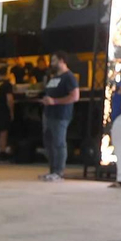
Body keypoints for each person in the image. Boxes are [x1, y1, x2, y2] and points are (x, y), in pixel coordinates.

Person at [40, 52, 80, 182]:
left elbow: (75, 96)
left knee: (59, 143)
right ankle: (52, 170)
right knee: (49, 143)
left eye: (54, 60)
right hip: (48, 114)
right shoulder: (54, 77)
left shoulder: (69, 77)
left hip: (60, 115)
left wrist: (55, 101)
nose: (52, 63)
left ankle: (59, 172)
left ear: (62, 60)